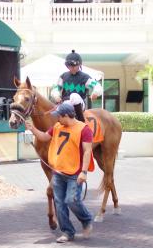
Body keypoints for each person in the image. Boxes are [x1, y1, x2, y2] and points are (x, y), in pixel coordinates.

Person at [26, 102, 94, 243]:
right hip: (58, 172)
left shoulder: (84, 129)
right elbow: (44, 137)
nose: (57, 119)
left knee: (71, 200)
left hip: (74, 173)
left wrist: (84, 172)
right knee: (59, 203)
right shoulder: (57, 126)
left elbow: (88, 151)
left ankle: (86, 220)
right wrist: (32, 129)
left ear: (66, 115)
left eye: (58, 116)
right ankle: (68, 232)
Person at [52, 50, 103, 122]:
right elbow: (55, 88)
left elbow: (97, 85)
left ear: (79, 65)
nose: (72, 68)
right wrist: (56, 96)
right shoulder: (63, 76)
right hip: (66, 103)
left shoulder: (84, 77)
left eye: (74, 66)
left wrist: (95, 92)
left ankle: (81, 121)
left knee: (74, 96)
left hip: (80, 104)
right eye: (69, 66)